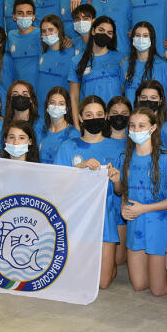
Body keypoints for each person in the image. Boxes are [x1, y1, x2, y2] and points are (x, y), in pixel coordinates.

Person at [55, 95, 124, 289]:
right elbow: (57, 186)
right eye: (89, 115)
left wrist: (117, 181)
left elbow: (120, 192)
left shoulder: (117, 147)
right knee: (77, 281)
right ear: (81, 118)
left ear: (106, 117)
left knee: (102, 284)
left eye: (99, 114)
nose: (94, 118)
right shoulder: (68, 147)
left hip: (105, 219)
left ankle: (109, 266)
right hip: (78, 219)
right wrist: (79, 169)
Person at [114, 107, 167, 294]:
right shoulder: (125, 158)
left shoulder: (166, 158)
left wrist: (145, 208)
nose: (136, 130)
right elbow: (122, 192)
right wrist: (123, 201)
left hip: (159, 227)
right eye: (132, 126)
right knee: (139, 285)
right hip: (136, 227)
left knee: (157, 290)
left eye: (142, 125)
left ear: (153, 128)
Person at [69, 17, 123, 115]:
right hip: (90, 116)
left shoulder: (120, 58)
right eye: (101, 30)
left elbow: (124, 88)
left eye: (109, 32)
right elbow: (74, 96)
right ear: (93, 31)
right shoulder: (77, 60)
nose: (104, 34)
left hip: (115, 115)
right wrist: (77, 123)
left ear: (113, 36)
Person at [36, 15, 80, 107]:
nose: (47, 34)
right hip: (42, 106)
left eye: (51, 30)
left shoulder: (72, 52)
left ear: (59, 30)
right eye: (44, 31)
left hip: (61, 107)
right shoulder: (42, 52)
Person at [122, 20, 167, 102]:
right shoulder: (125, 64)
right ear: (132, 39)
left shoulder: (165, 66)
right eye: (137, 35)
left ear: (151, 39)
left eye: (145, 36)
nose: (141, 39)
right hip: (133, 114)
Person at [7, 0, 41, 89]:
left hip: (39, 89)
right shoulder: (11, 35)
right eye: (20, 13)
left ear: (33, 17)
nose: (24, 16)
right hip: (19, 89)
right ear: (14, 16)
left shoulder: (42, 34)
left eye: (28, 13)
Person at [39, 87, 76, 164]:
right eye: (52, 103)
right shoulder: (40, 130)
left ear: (67, 108)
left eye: (61, 104)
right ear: (47, 106)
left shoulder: (74, 134)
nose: (56, 106)